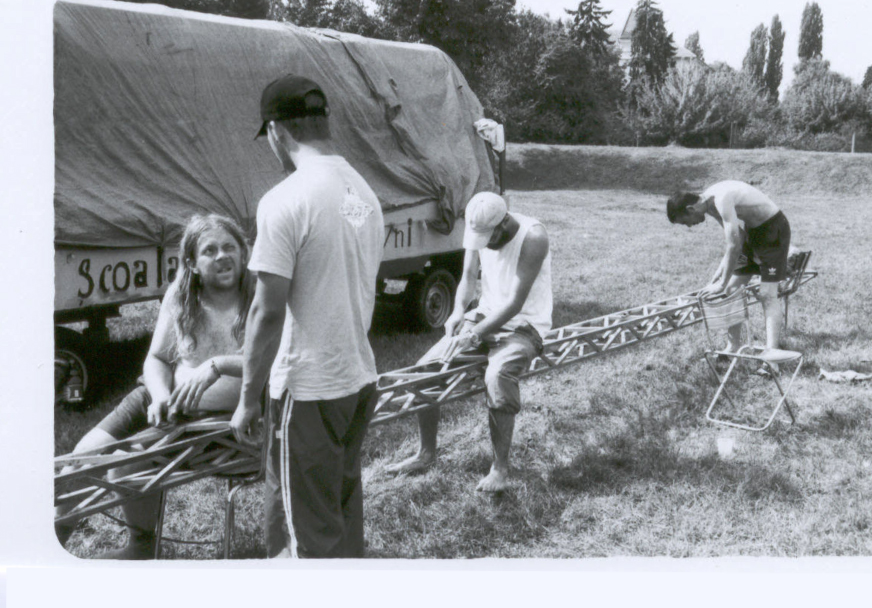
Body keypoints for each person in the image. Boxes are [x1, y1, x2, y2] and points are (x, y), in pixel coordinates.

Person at [230, 74, 384, 559]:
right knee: (337, 510)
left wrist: (248, 400)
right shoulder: (363, 192)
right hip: (357, 378)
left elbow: (266, 312)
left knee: (305, 531)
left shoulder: (285, 199)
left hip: (309, 388)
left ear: (277, 130)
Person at [56, 213, 253, 559]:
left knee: (121, 463)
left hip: (214, 420)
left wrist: (218, 365)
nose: (222, 256)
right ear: (191, 263)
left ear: (242, 252)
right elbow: (157, 359)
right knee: (79, 461)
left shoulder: (259, 294)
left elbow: (279, 360)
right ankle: (49, 547)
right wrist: (160, 395)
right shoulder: (181, 294)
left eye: (229, 247)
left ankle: (141, 547)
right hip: (160, 399)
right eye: (210, 250)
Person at [386, 191, 552, 492]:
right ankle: (426, 454)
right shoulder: (479, 223)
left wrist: (473, 335)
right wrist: (458, 312)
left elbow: (514, 303)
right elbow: (467, 276)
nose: (483, 243)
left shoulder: (534, 237)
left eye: (489, 237)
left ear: (503, 224)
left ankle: (500, 469)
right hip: (485, 316)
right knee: (426, 369)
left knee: (498, 375)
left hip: (526, 325)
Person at [667, 181, 791, 356]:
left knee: (767, 295)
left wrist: (721, 283)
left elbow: (734, 246)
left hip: (773, 231)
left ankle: (772, 356)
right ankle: (733, 347)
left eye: (685, 222)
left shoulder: (721, 199)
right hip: (754, 232)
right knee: (732, 290)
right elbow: (738, 238)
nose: (689, 226)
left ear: (690, 209)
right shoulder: (709, 204)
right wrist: (718, 277)